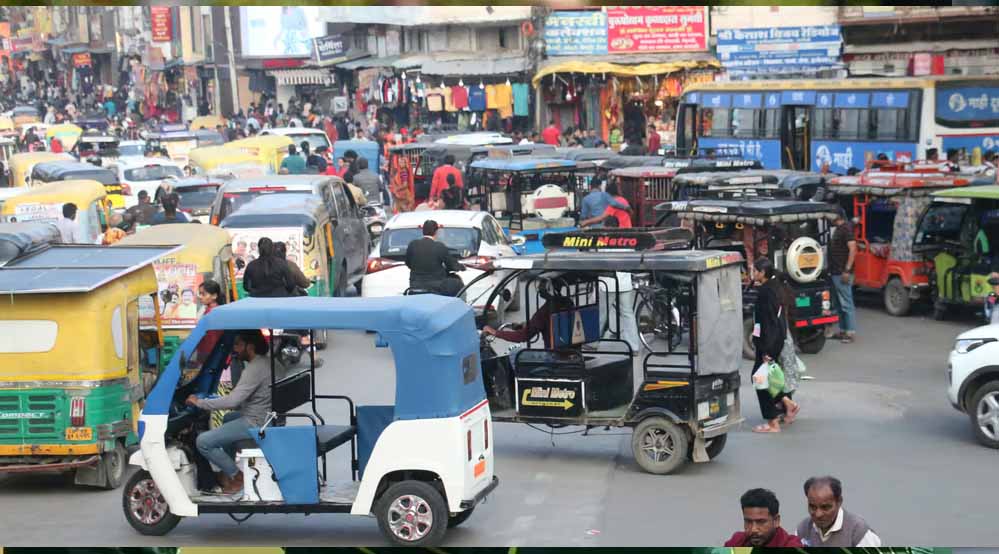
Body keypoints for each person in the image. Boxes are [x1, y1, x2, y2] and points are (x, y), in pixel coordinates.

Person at [189, 330, 273, 494]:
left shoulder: (254, 368)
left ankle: (236, 476)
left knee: (203, 442)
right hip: (266, 416)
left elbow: (233, 400)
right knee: (228, 418)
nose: (234, 349)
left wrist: (200, 403)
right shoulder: (267, 363)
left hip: (256, 423)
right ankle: (227, 470)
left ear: (250, 346)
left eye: (238, 345)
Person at [750, 258, 798, 433]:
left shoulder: (766, 292)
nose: (752, 274)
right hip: (771, 343)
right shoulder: (773, 288)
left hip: (768, 345)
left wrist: (768, 351)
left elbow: (770, 324)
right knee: (768, 379)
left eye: (754, 271)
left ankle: (772, 422)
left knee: (759, 379)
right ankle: (787, 402)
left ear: (762, 273)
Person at [482, 282, 574, 349]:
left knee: (513, 353)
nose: (539, 288)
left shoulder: (545, 311)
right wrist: (526, 324)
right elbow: (542, 324)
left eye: (542, 285)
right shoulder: (567, 303)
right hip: (571, 351)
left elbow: (523, 336)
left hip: (554, 355)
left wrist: (495, 332)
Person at [796, 476, 882, 547]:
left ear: (839, 502)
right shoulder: (802, 529)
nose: (818, 514)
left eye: (825, 507)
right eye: (813, 507)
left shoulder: (858, 531)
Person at [725, 488, 803, 547]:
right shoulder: (737, 541)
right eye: (748, 522)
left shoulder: (792, 545)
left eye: (761, 522)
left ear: (776, 521)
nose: (753, 529)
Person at [405, 219, 463, 297]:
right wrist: (461, 267)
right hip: (436, 286)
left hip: (414, 284)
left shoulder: (412, 244)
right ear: (436, 232)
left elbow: (408, 263)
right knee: (457, 284)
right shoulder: (439, 246)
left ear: (423, 231)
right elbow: (451, 265)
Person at [829, 207, 857, 344]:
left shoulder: (846, 229)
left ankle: (850, 332)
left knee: (846, 303)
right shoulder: (838, 229)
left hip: (842, 272)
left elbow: (853, 248)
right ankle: (843, 330)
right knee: (838, 304)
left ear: (837, 216)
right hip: (835, 272)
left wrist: (847, 270)